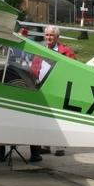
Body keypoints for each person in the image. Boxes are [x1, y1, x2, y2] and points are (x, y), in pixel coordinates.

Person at [29, 26, 76, 161]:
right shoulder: (41, 51)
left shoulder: (65, 51)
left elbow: (73, 69)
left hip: (59, 90)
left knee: (59, 119)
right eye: (47, 35)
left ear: (57, 37)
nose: (49, 38)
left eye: (51, 35)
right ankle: (45, 146)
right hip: (42, 88)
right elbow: (34, 68)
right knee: (44, 118)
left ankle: (60, 146)